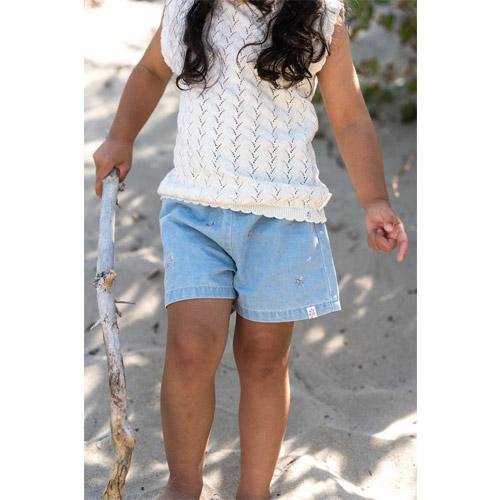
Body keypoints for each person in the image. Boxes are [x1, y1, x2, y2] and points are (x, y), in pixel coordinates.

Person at [93, 0, 409, 498]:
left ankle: (253, 491)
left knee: (264, 359)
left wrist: (375, 201)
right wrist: (120, 138)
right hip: (196, 210)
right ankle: (183, 485)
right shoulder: (186, 10)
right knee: (191, 347)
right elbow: (152, 70)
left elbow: (349, 115)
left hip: (282, 216)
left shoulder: (321, 18)